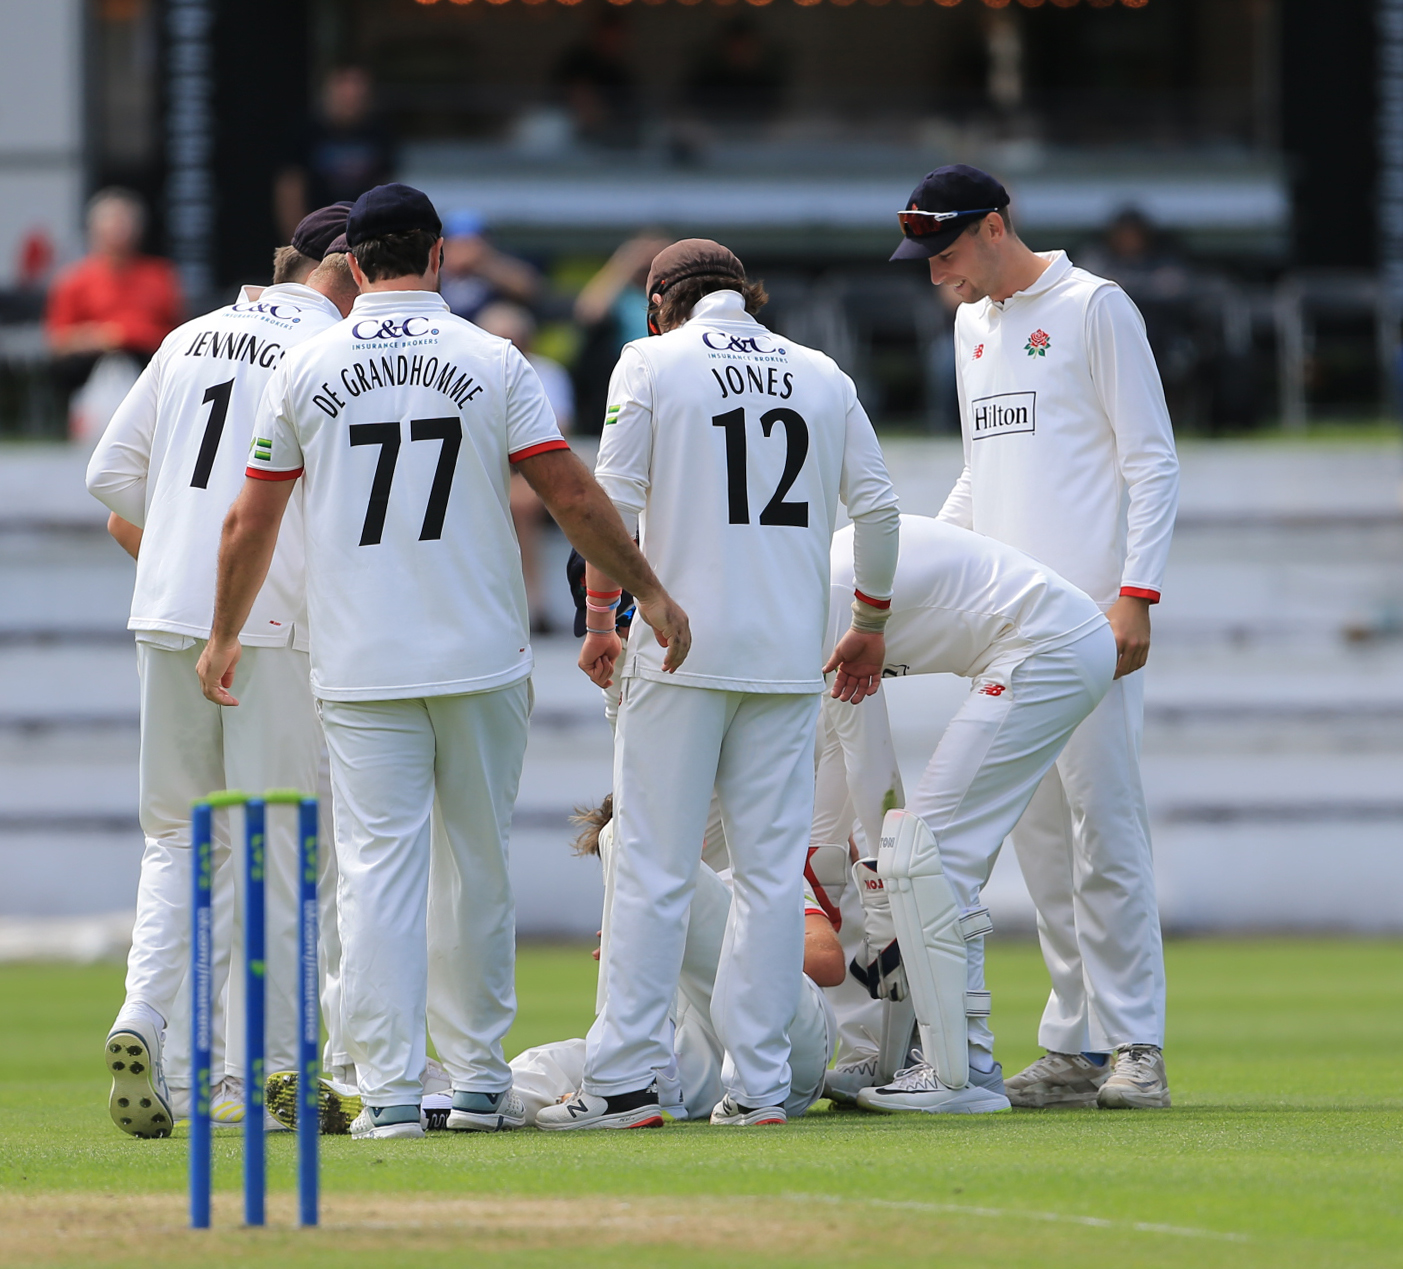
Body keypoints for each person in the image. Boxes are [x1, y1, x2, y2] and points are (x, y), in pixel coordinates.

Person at [196, 183, 688, 1141]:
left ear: (354, 264)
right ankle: (472, 1080)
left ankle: (386, 1089)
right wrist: (647, 588)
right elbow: (573, 497)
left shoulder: (304, 365)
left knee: (376, 869)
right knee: (476, 864)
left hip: (360, 655)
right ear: (434, 258)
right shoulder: (490, 357)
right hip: (478, 651)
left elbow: (249, 520)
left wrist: (222, 633)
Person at [535, 239, 899, 1132]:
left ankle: (622, 1084)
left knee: (652, 868)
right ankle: (761, 1085)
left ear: (659, 301)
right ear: (746, 295)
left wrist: (596, 619)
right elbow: (880, 511)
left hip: (679, 650)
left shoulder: (648, 360)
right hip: (784, 655)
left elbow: (608, 502)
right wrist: (869, 626)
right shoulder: (819, 371)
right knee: (770, 880)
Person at [892, 164, 1179, 1109]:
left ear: (994, 226)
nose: (938, 276)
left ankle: (1135, 1042)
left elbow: (1148, 459)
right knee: (1044, 841)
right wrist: (920, 570)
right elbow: (982, 478)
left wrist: (1135, 594)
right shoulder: (973, 325)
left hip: (1091, 621)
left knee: (1107, 831)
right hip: (1007, 629)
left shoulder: (1096, 307)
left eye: (945, 255)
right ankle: (1075, 1043)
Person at [85, 207, 359, 1138]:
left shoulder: (192, 333)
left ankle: (146, 1020)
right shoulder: (329, 352)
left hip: (165, 616)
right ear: (343, 270)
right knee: (281, 851)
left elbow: (109, 476)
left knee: (177, 840)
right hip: (270, 627)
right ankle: (271, 1077)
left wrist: (179, 556)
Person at [809, 513, 1115, 1114]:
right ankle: (895, 1058)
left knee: (929, 853)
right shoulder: (796, 587)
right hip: (1038, 646)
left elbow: (871, 766)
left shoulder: (815, 597)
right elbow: (842, 765)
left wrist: (882, 901)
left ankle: (965, 1068)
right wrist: (876, 893)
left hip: (1048, 646)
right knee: (914, 857)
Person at [510, 798, 841, 1127]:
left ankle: (641, 1075)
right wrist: (643, 955)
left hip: (792, 1051)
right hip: (708, 1082)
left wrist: (672, 947)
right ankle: (482, 1098)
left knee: (626, 828)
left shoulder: (750, 883)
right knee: (548, 1061)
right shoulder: (634, 923)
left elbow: (827, 962)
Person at [477, 301, 574, 632]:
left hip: (535, 469)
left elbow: (560, 433)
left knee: (521, 502)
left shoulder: (548, 372)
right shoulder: (473, 372)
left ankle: (537, 602)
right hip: (483, 471)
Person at [46, 188, 182, 416]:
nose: (118, 231)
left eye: (124, 222)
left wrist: (124, 335)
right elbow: (58, 341)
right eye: (112, 222)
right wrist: (95, 337)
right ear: (94, 229)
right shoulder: (74, 280)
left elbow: (177, 332)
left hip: (145, 358)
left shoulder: (160, 276)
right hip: (92, 361)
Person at [275, 67, 395, 240]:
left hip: (362, 233)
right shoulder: (307, 134)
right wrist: (297, 239)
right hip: (316, 230)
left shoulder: (379, 135)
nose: (350, 102)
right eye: (344, 95)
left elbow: (385, 189)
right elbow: (289, 189)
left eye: (357, 96)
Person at [572, 234, 669, 433]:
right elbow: (588, 313)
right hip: (624, 377)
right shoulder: (620, 295)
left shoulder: (674, 297)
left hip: (667, 375)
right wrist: (624, 263)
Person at [439, 212, 541, 324]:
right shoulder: (433, 269)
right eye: (457, 243)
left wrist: (482, 264)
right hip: (441, 327)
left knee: (504, 320)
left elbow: (530, 290)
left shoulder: (494, 266)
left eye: (471, 242)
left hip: (483, 330)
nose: (464, 249)